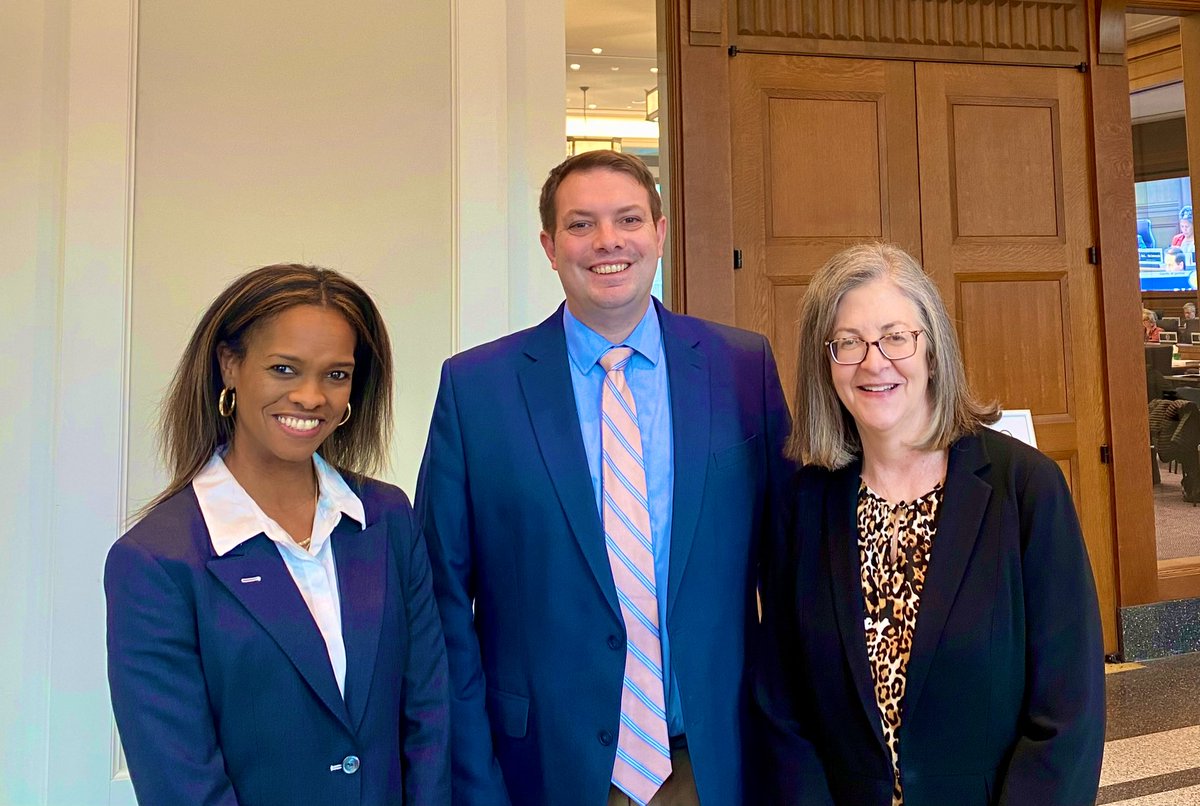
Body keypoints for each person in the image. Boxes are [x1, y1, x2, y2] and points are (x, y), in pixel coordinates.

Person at [415, 151, 791, 806]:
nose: (608, 241)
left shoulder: (741, 367)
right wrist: (471, 779)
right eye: (581, 225)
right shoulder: (477, 389)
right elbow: (441, 600)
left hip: (713, 762)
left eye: (628, 220)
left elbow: (790, 571)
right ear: (549, 246)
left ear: (661, 232)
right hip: (541, 768)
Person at [756, 243, 1105, 805]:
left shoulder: (1025, 488)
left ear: (933, 348)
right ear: (827, 363)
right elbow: (781, 703)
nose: (874, 362)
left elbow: (1069, 710)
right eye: (848, 343)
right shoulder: (801, 504)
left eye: (896, 337)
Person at [105, 264, 450, 806]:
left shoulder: (387, 517)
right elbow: (180, 780)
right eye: (285, 369)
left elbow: (428, 710)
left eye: (336, 375)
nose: (311, 397)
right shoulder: (155, 559)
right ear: (230, 366)